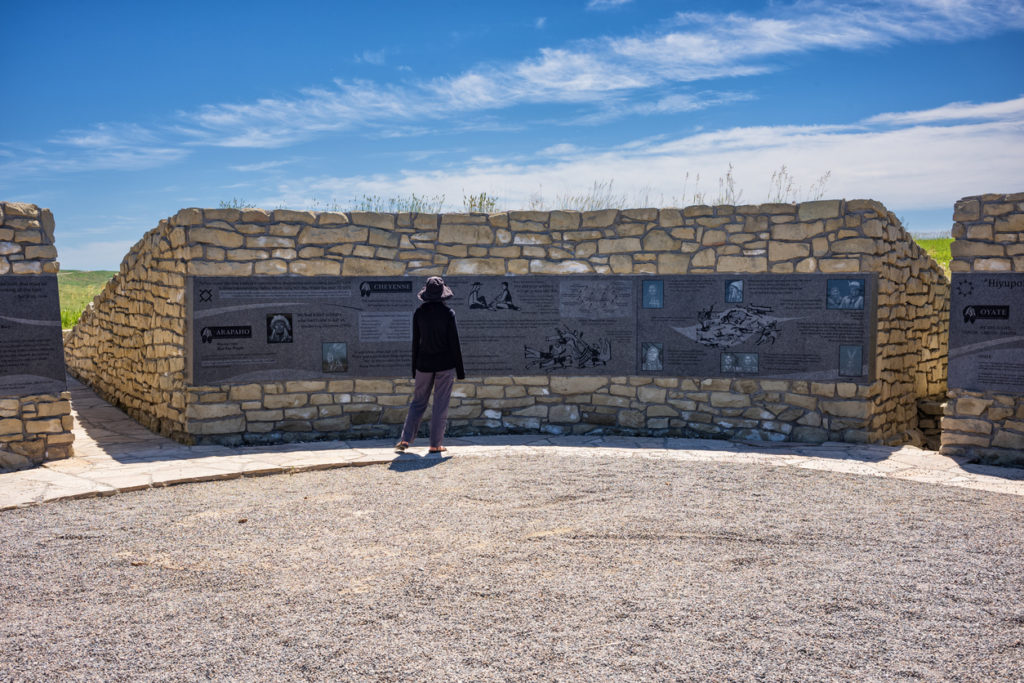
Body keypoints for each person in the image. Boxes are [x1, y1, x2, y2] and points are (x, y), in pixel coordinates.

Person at [396, 276, 466, 454]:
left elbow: (415, 343)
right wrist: (460, 371)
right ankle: (435, 444)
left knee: (418, 402)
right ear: (443, 294)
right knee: (440, 404)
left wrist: (414, 368)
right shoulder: (448, 314)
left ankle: (405, 439)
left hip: (423, 364)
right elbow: (454, 344)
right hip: (445, 364)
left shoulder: (419, 313)